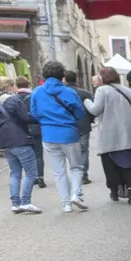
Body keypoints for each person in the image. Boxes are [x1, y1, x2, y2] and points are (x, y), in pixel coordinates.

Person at [85, 67, 131, 206]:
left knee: (111, 165)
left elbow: (95, 110)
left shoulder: (102, 90)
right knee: (130, 164)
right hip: (130, 134)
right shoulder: (127, 90)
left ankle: (115, 192)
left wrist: (86, 101)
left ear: (103, 78)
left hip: (110, 136)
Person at [30, 60, 87, 213]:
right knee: (76, 167)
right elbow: (80, 113)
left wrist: (46, 121)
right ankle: (76, 194)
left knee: (59, 172)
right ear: (62, 76)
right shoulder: (69, 92)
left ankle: (66, 204)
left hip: (48, 134)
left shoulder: (37, 92)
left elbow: (34, 113)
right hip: (69, 133)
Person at [0, 76, 41, 214]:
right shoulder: (13, 100)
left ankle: (15, 204)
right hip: (20, 139)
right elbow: (26, 117)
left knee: (15, 174)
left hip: (5, 142)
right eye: (14, 85)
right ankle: (26, 202)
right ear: (10, 86)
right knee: (31, 173)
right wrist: (40, 118)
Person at [15, 76, 47, 189]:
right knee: (38, 154)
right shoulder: (34, 96)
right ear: (28, 85)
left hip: (22, 130)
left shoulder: (14, 99)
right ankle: (40, 177)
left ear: (16, 86)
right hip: (36, 128)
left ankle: (31, 177)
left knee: (27, 155)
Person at [64, 70, 95, 184]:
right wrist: (90, 120)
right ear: (76, 79)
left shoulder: (61, 94)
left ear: (64, 80)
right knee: (84, 151)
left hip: (68, 126)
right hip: (83, 125)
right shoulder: (85, 93)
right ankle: (84, 175)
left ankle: (75, 174)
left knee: (71, 151)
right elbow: (92, 110)